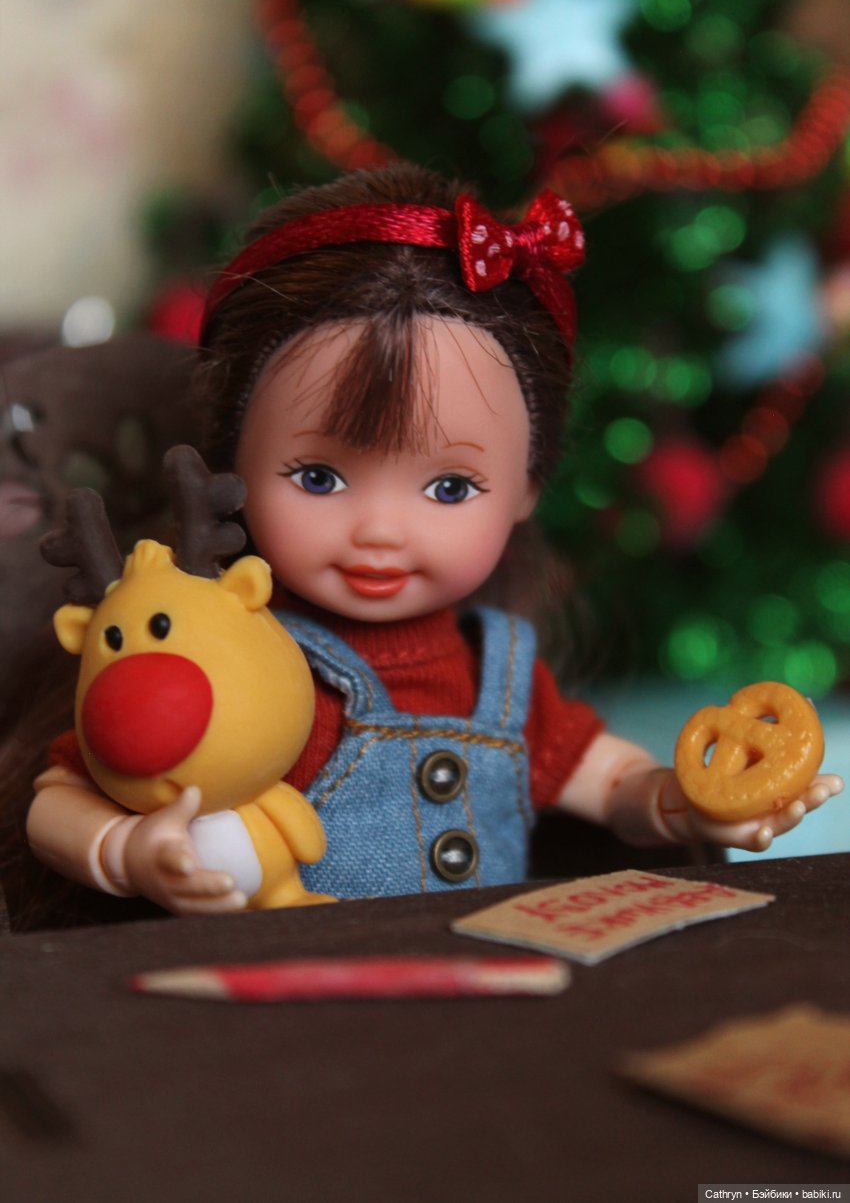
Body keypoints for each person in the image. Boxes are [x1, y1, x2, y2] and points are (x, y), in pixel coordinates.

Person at [26, 164, 843, 915]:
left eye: (450, 487)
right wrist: (126, 850)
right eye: (319, 477)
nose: (380, 530)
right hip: (294, 991)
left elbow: (614, 782)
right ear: (232, 463)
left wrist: (691, 802)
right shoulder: (216, 647)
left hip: (486, 988)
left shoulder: (499, 673)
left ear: (527, 487)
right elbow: (63, 793)